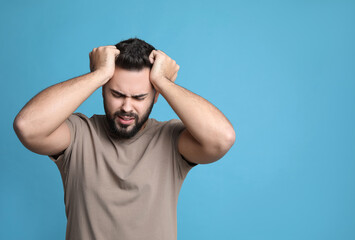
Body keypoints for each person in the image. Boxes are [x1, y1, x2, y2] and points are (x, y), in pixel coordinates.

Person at [13, 37, 236, 240]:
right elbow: (27, 126)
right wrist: (98, 74)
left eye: (139, 97)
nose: (127, 107)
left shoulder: (171, 141)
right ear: (102, 89)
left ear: (157, 95)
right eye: (117, 94)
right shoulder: (79, 134)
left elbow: (222, 139)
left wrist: (163, 81)